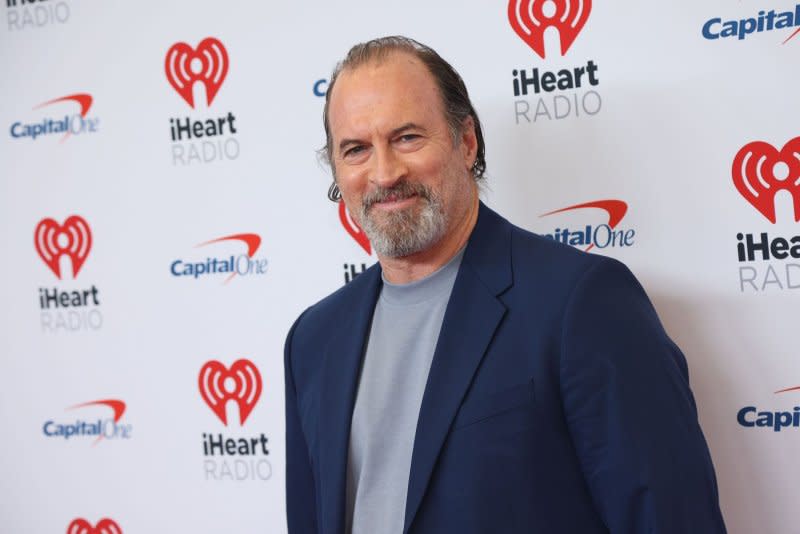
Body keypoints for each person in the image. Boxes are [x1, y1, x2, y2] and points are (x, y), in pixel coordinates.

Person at [284, 36, 727, 534]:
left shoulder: (581, 303)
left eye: (407, 137)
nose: (384, 173)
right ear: (337, 170)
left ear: (466, 141)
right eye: (356, 149)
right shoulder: (313, 340)